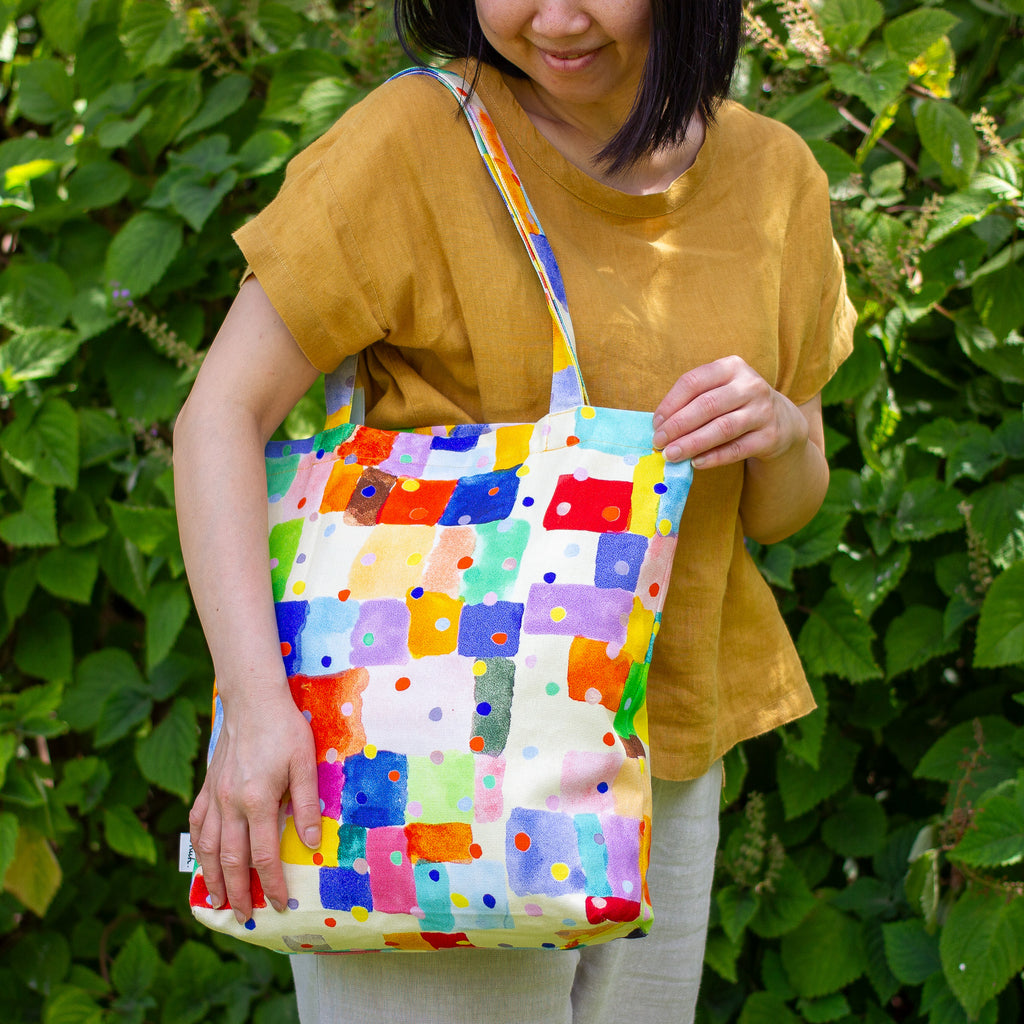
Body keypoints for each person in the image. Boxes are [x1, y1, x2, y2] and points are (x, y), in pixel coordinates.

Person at [175, 2, 856, 1021]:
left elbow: (781, 512)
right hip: (412, 764)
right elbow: (218, 415)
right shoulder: (413, 143)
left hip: (656, 761)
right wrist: (256, 709)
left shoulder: (772, 178)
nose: (556, 16)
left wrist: (783, 434)